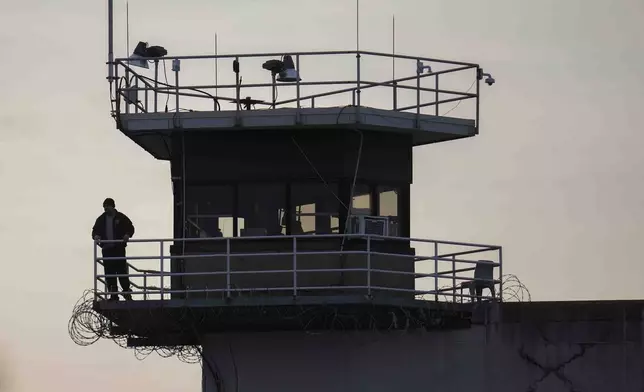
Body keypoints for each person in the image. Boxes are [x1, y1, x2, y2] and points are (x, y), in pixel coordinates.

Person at [91, 198, 135, 301]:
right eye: (104, 207)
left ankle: (126, 292)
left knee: (121, 271)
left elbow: (131, 227)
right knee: (109, 273)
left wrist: (127, 235)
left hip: (118, 248)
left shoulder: (121, 217)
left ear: (113, 206)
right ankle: (113, 295)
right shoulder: (101, 219)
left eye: (107, 206)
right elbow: (94, 231)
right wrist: (96, 236)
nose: (106, 208)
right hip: (107, 250)